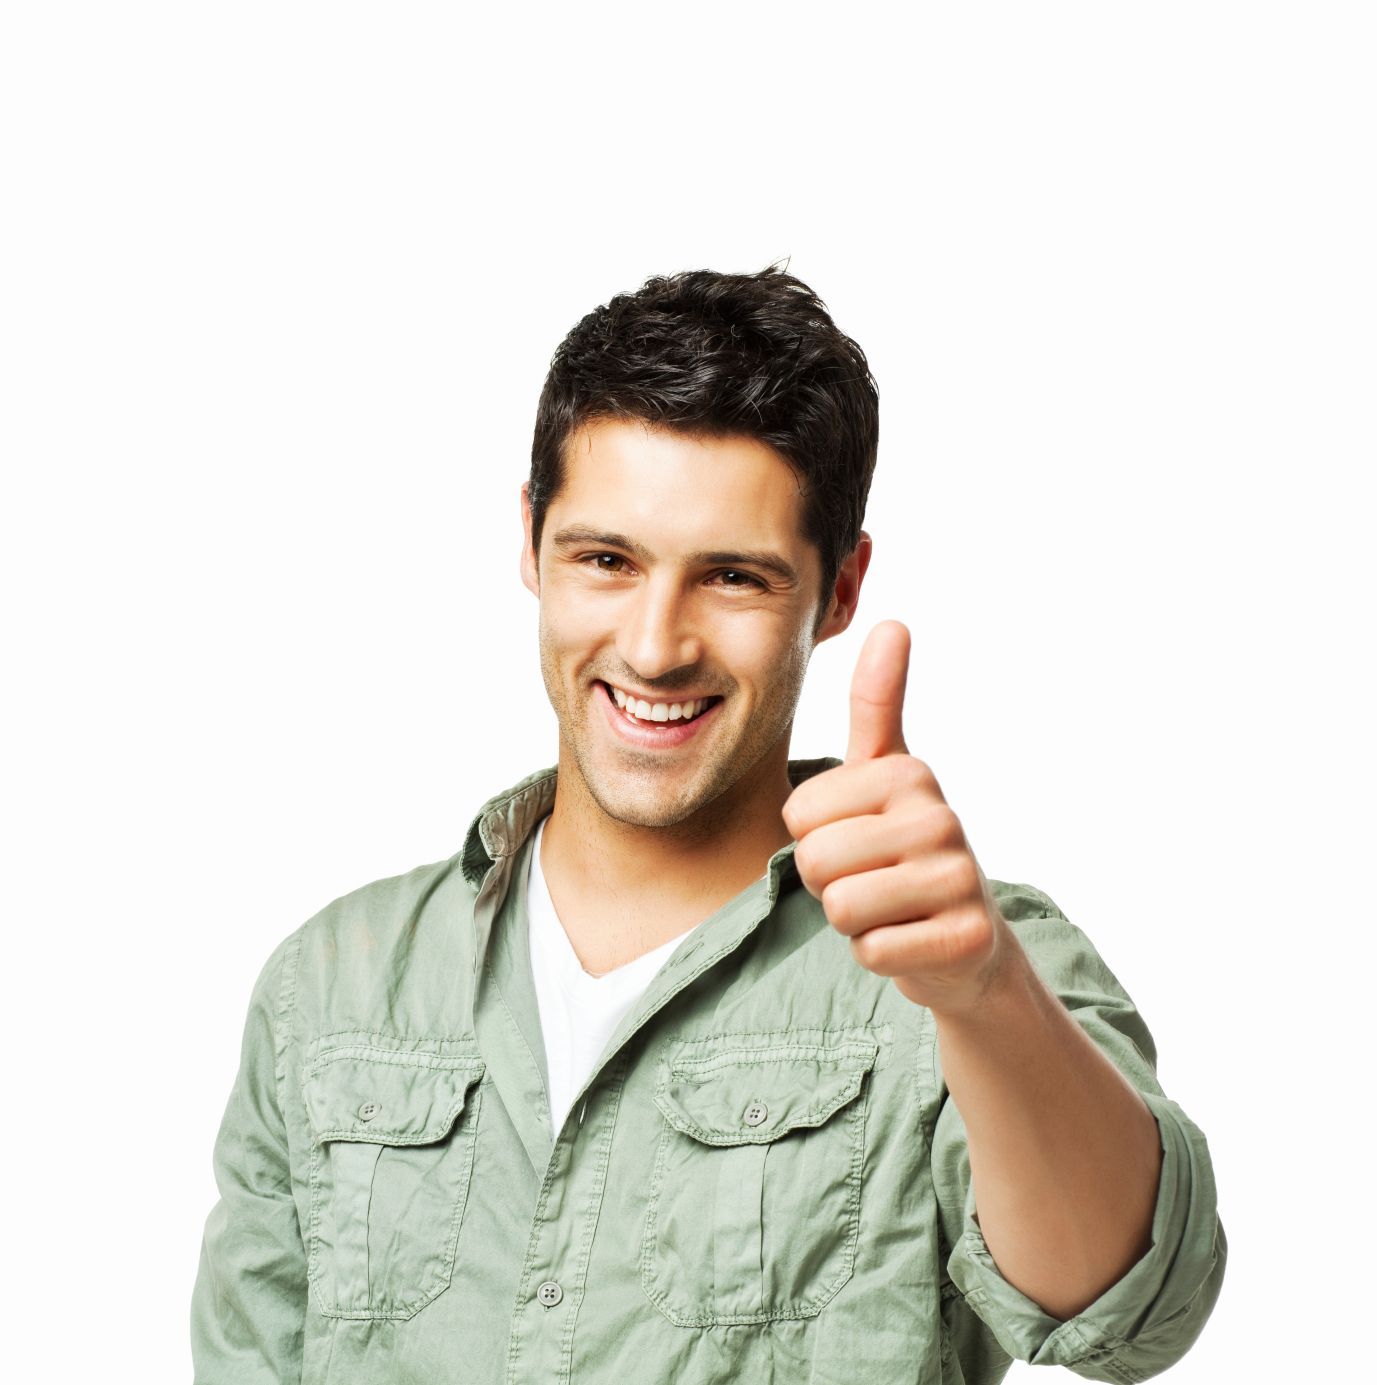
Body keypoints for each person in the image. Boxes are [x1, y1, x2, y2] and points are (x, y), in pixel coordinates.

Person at [191, 266, 1227, 1384]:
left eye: (732, 577)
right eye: (605, 559)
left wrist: (984, 994)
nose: (653, 646)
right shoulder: (330, 986)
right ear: (530, 538)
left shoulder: (958, 960)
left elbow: (1134, 1313)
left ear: (839, 590)